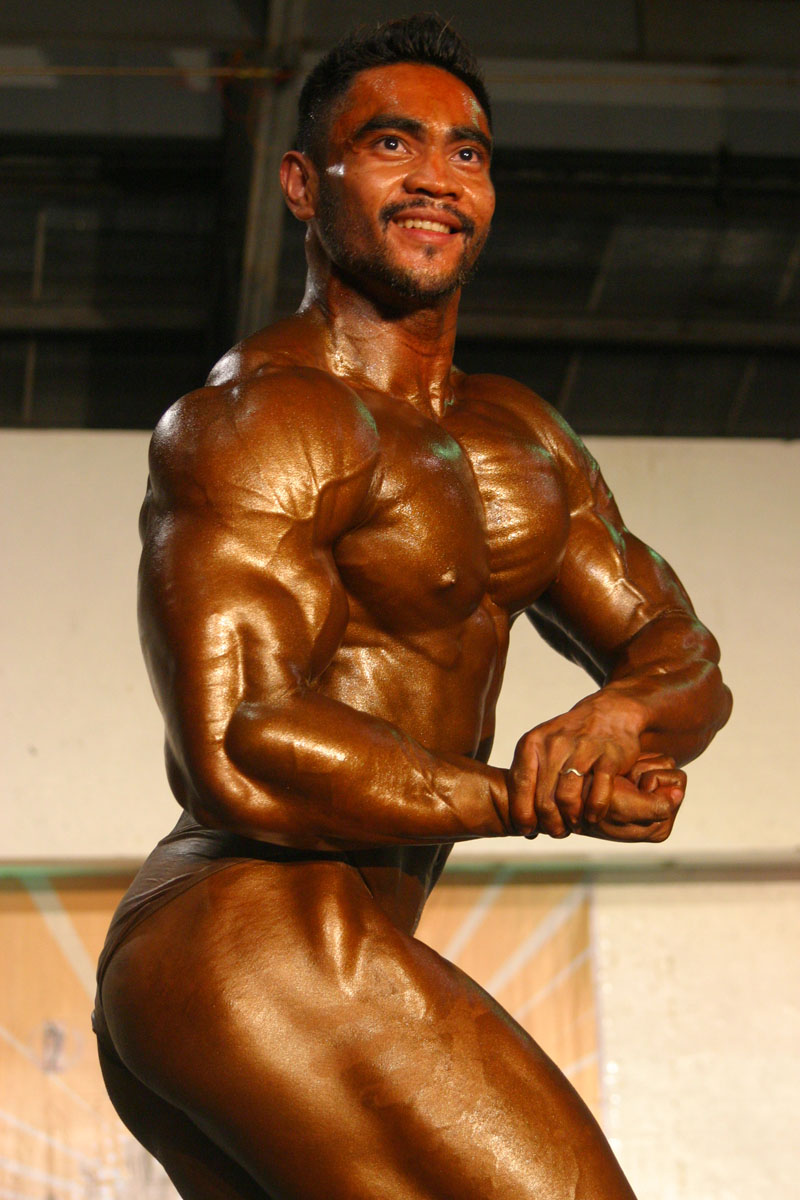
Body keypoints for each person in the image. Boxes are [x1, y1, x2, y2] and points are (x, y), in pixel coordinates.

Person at [93, 15, 732, 1200]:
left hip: (326, 948)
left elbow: (677, 650)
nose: (437, 176)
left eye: (466, 153)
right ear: (303, 184)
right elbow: (238, 745)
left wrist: (616, 720)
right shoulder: (264, 416)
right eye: (392, 144)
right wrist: (517, 798)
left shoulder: (520, 437)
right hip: (246, 930)